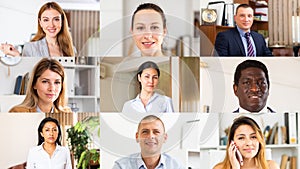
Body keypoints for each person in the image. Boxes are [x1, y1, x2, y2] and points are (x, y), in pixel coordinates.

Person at [0, 2, 75, 57]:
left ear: (62, 22)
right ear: (40, 23)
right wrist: (16, 55)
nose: (51, 25)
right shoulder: (30, 47)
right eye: (46, 20)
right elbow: (26, 73)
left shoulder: (71, 49)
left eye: (56, 19)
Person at [113, 115, 184, 169]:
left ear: (164, 138)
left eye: (156, 132)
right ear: (137, 137)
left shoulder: (177, 166)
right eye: (145, 132)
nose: (150, 136)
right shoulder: (121, 166)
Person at [213, 116, 279, 169]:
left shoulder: (272, 166)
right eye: (241, 138)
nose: (249, 143)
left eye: (253, 137)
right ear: (232, 143)